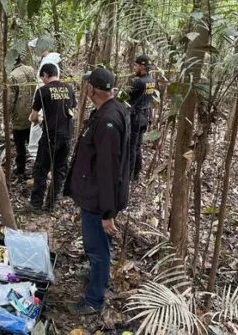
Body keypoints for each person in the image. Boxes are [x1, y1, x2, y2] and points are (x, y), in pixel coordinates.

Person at [63, 67, 130, 315]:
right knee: (99, 247)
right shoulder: (114, 109)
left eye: (87, 85)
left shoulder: (108, 121)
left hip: (98, 201)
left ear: (93, 89)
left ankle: (94, 300)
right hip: (98, 195)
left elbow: (108, 169)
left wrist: (107, 212)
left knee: (97, 249)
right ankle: (97, 278)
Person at [29, 63, 76, 212]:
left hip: (50, 136)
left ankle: (36, 204)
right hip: (67, 136)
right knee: (59, 170)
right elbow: (70, 110)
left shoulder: (43, 91)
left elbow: (33, 116)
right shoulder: (69, 88)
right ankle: (51, 204)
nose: (42, 81)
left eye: (42, 77)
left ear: (46, 75)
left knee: (41, 169)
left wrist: (36, 120)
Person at [27, 38, 62, 160]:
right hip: (46, 97)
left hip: (45, 98)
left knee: (38, 123)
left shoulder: (49, 63)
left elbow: (46, 83)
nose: (32, 52)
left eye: (33, 49)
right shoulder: (48, 61)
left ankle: (35, 153)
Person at [8, 54, 37, 178]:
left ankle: (20, 169)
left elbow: (10, 99)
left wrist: (7, 114)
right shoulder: (30, 70)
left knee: (20, 146)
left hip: (19, 117)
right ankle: (37, 168)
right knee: (33, 142)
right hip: (33, 113)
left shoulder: (12, 76)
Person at [129, 54, 155, 182]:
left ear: (142, 67)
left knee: (132, 147)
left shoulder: (138, 82)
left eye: (136, 65)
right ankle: (136, 173)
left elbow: (128, 98)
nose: (134, 67)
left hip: (137, 117)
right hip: (145, 116)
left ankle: (130, 175)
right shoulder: (151, 80)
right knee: (137, 146)